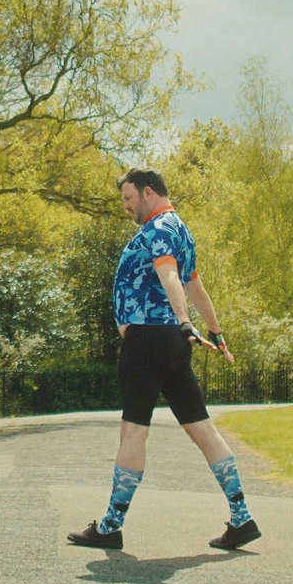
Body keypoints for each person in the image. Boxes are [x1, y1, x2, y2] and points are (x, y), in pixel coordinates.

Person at [68, 167, 262, 551]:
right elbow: (197, 286)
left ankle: (110, 527)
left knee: (133, 431)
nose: (126, 206)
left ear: (148, 192)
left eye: (128, 198)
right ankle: (242, 519)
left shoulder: (157, 230)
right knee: (202, 428)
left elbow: (172, 278)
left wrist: (186, 321)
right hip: (171, 344)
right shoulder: (180, 229)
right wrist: (215, 333)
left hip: (148, 344)